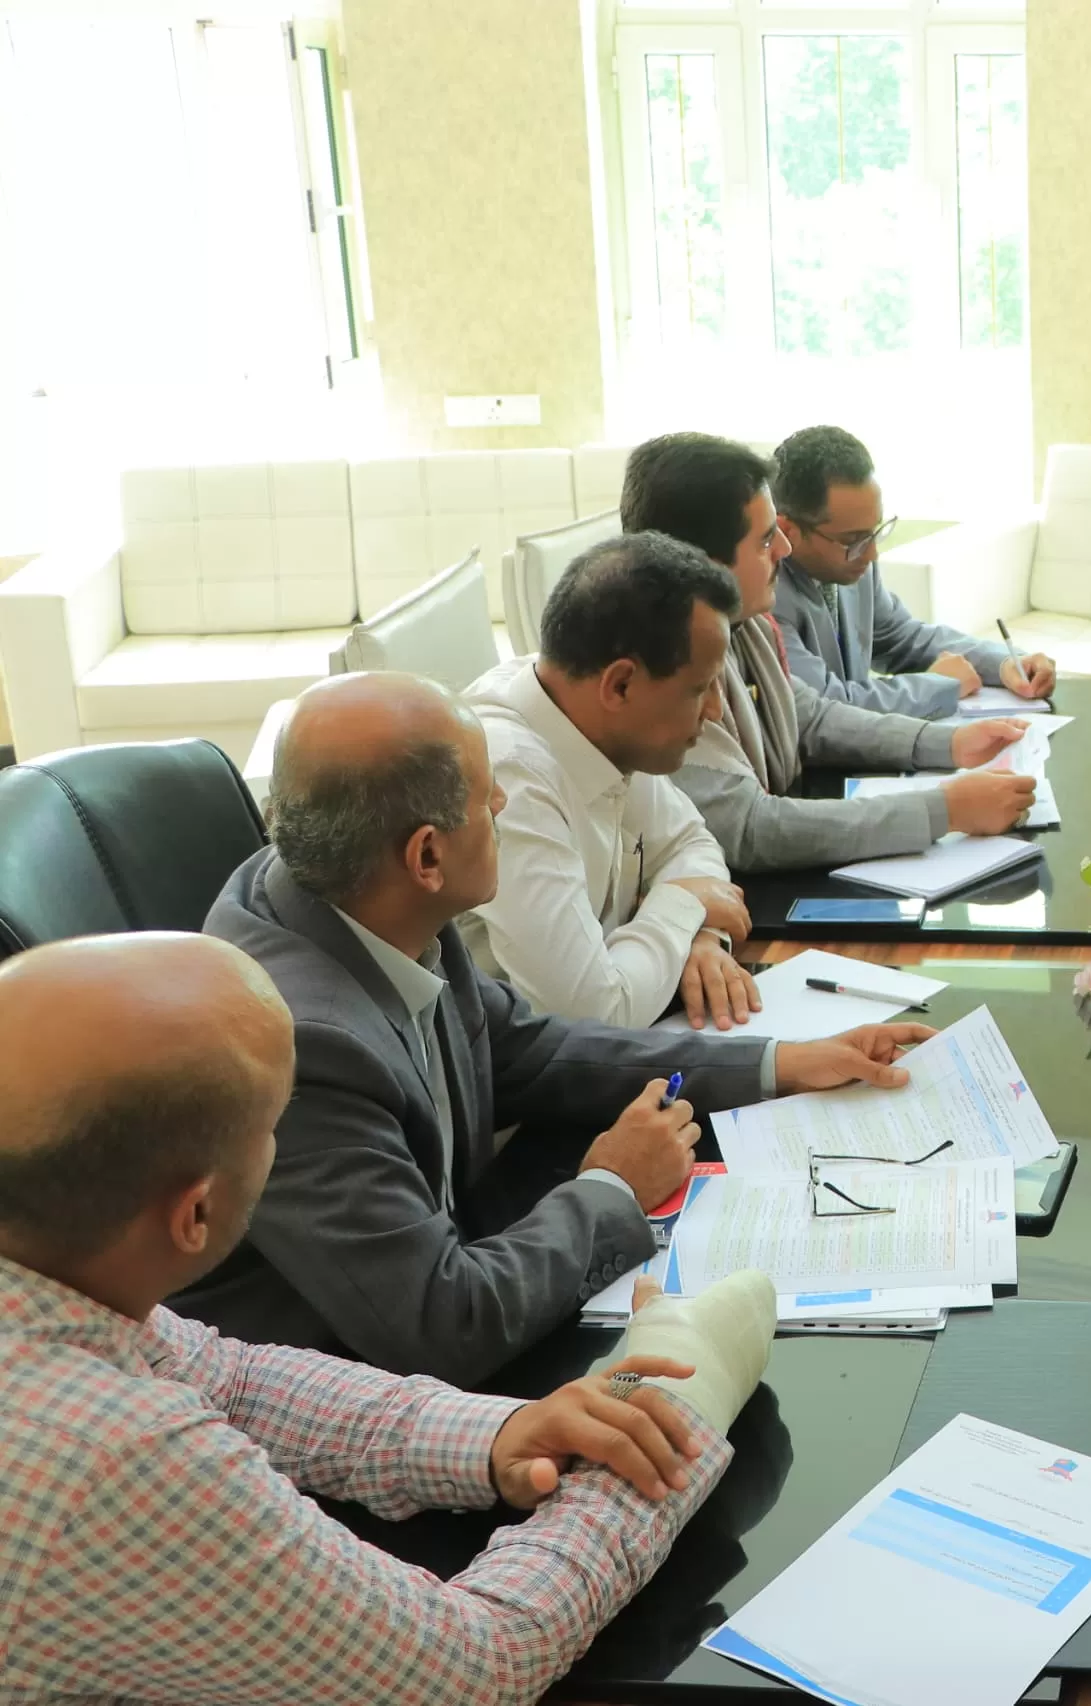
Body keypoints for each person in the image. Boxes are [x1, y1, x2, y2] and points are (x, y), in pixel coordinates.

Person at [0, 930, 782, 1706]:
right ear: (196, 1213)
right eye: (276, 1126)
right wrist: (673, 1417)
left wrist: (495, 1437)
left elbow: (226, 1377)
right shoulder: (104, 1459)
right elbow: (477, 1668)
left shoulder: (48, 1284)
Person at [184, 671, 936, 1383]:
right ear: (427, 855)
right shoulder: (304, 1047)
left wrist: (780, 1064)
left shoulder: (360, 899)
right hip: (339, 1411)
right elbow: (445, 1324)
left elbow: (531, 1049)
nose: (506, 804)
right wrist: (613, 1185)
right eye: (487, 798)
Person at [621, 432, 1036, 872]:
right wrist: (944, 810)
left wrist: (949, 743)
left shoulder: (744, 624)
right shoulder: (661, 662)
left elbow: (811, 715)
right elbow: (748, 829)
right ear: (700, 562)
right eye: (765, 541)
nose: (783, 549)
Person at [460, 533, 763, 1028]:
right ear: (619, 685)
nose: (716, 711)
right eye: (701, 688)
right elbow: (595, 1014)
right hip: (520, 1088)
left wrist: (700, 937)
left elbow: (692, 843)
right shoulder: (511, 777)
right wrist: (683, 905)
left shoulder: (596, 720)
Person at [770, 424, 1058, 715]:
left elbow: (902, 638)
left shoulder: (853, 562)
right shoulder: (764, 596)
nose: (872, 553)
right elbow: (827, 706)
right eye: (853, 540)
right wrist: (936, 684)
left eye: (876, 531)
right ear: (787, 530)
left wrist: (1004, 662)